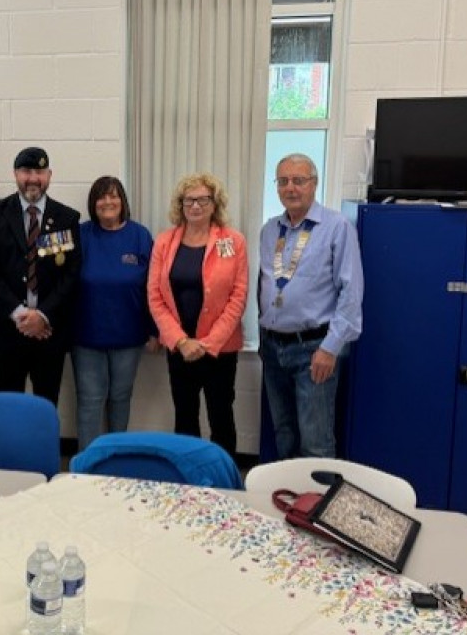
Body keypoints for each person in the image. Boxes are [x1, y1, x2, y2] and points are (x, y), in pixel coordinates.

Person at [257, 153, 363, 459]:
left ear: (314, 184)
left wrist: (330, 348)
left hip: (314, 349)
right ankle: (288, 503)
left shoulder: (336, 226)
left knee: (315, 441)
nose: (291, 188)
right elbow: (266, 285)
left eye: (299, 180)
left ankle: (316, 506)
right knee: (284, 434)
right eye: (284, 181)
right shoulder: (269, 230)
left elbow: (351, 291)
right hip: (273, 347)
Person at [147, 173, 248, 456]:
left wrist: (208, 343)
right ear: (180, 205)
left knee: (222, 418)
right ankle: (188, 483)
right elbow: (155, 296)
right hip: (180, 349)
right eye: (189, 200)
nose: (195, 206)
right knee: (185, 417)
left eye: (203, 199)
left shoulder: (234, 241)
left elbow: (238, 297)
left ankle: (225, 483)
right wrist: (181, 341)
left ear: (215, 204)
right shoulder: (164, 242)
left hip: (220, 350)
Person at [0, 147, 81, 405]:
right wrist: (21, 315)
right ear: (15, 174)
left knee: (47, 404)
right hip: (7, 331)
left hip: (48, 332)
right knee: (8, 407)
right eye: (26, 171)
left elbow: (71, 273)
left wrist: (42, 315)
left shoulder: (66, 217)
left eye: (39, 171)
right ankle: (11, 448)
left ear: (49, 175)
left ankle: (43, 448)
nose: (33, 178)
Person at [71, 176, 157, 450]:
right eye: (101, 197)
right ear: (93, 203)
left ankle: (115, 460)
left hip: (129, 337)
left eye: (114, 196)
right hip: (86, 337)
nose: (108, 202)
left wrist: (155, 331)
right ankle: (86, 468)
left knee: (120, 399)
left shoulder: (140, 236)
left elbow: (153, 288)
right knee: (90, 401)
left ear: (123, 201)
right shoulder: (79, 235)